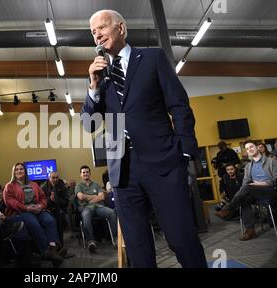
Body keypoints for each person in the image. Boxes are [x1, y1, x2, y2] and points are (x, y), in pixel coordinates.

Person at [81, 9, 206, 267]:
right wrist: (92, 86)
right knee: (138, 249)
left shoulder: (152, 58)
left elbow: (179, 105)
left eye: (102, 28)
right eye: (93, 32)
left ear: (121, 28)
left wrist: (183, 150)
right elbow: (87, 123)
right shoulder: (101, 79)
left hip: (164, 163)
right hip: (123, 172)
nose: (97, 35)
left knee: (181, 238)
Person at [3, 162, 64, 267]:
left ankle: (52, 249)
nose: (19, 171)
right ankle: (46, 251)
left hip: (36, 210)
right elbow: (10, 201)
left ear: (25, 171)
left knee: (50, 220)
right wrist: (26, 208)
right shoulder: (10, 186)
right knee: (33, 223)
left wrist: (41, 206)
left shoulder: (34, 184)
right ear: (13, 172)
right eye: (16, 169)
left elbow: (43, 198)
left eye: (21, 169)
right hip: (21, 211)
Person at [215, 141, 277, 240]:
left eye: (251, 147)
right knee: (244, 199)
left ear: (257, 148)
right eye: (247, 149)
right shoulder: (248, 166)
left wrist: (259, 183)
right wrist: (246, 189)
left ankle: (228, 209)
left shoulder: (271, 161)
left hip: (269, 190)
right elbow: (245, 183)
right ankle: (250, 231)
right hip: (254, 191)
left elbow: (275, 180)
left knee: (248, 187)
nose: (250, 149)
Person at [75, 165, 117, 253]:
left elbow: (102, 197)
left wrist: (90, 199)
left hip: (98, 207)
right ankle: (91, 242)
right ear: (81, 175)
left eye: (87, 172)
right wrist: (95, 196)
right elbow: (81, 197)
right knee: (86, 217)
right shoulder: (78, 186)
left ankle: (116, 238)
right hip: (86, 208)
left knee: (111, 212)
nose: (85, 174)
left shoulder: (96, 184)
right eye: (83, 172)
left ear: (90, 173)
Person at [41, 171, 69, 247]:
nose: (55, 179)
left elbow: (66, 202)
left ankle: (60, 245)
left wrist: (56, 199)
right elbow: (41, 203)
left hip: (60, 209)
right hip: (47, 210)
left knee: (60, 217)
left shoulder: (62, 186)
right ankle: (53, 245)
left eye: (57, 177)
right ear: (49, 178)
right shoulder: (43, 187)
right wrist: (50, 199)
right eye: (53, 178)